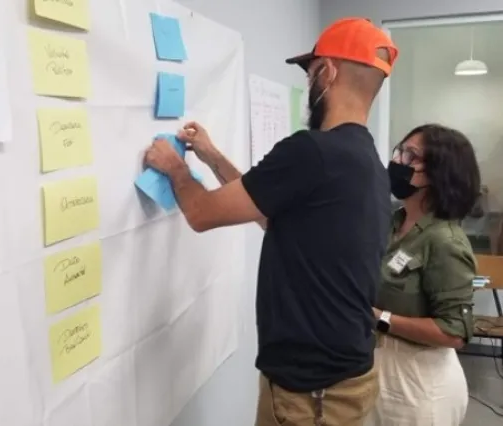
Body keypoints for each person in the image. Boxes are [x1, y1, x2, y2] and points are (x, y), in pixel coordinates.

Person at [144, 17, 398, 426]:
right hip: (344, 377)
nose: (310, 85)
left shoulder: (312, 151)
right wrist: (211, 157)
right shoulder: (364, 160)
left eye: (311, 72)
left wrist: (175, 168)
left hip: (313, 393)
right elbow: (272, 211)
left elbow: (202, 213)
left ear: (327, 72)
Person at [368, 124, 480, 426]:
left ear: (439, 174)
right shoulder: (394, 223)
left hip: (420, 388)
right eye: (400, 150)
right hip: (382, 373)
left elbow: (455, 332)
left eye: (410, 156)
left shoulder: (445, 241)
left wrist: (379, 317)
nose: (398, 161)